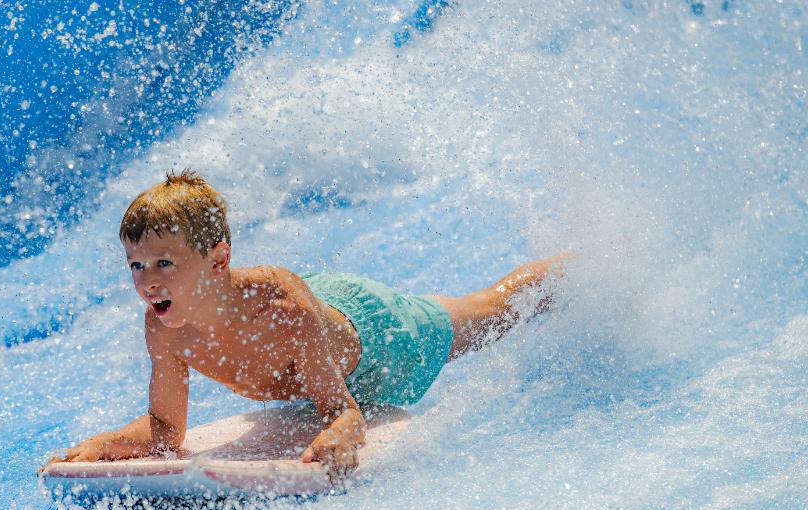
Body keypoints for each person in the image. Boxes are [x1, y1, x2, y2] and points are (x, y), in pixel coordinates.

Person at [48, 170, 568, 476]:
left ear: (218, 261)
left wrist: (341, 434)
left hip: (379, 338)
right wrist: (108, 443)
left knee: (487, 313)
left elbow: (342, 412)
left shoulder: (278, 310)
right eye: (136, 265)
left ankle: (579, 268)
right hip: (315, 313)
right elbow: (166, 429)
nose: (148, 282)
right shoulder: (163, 326)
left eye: (165, 263)